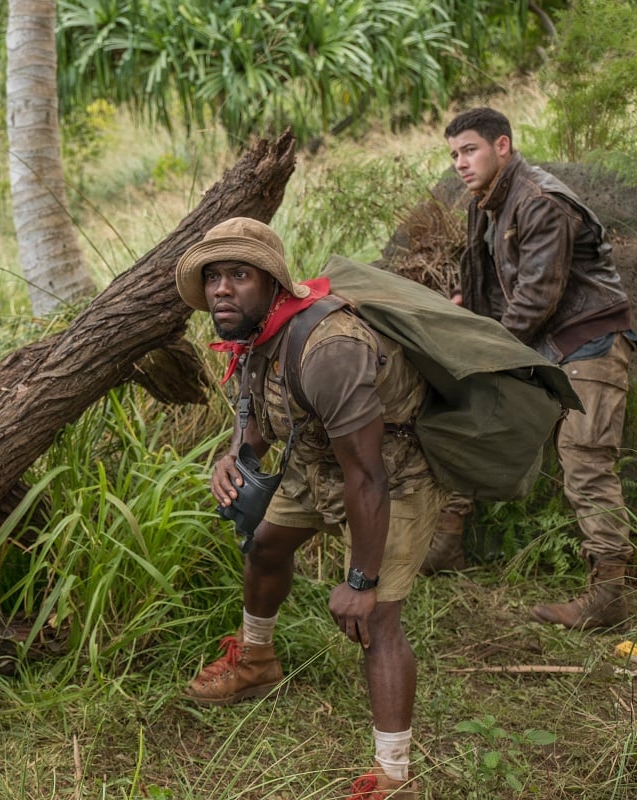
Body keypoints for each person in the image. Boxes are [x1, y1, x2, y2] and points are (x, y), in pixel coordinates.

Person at [176, 217, 446, 798]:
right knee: (266, 545)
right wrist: (232, 457)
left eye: (239, 274)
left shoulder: (330, 349)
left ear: (272, 281)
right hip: (318, 462)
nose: (222, 289)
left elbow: (367, 474)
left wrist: (360, 579)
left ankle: (394, 777)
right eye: (213, 276)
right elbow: (256, 422)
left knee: (375, 621)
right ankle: (256, 662)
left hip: (392, 475)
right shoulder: (253, 337)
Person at [434, 107, 634, 629]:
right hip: (541, 346)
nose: (460, 162)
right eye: (454, 154)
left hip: (587, 340)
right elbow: (488, 287)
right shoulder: (489, 203)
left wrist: (482, 352)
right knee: (478, 422)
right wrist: (468, 320)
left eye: (470, 149)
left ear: (503, 146)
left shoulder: (540, 200)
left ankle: (611, 594)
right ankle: (445, 542)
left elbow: (537, 296)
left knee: (586, 460)